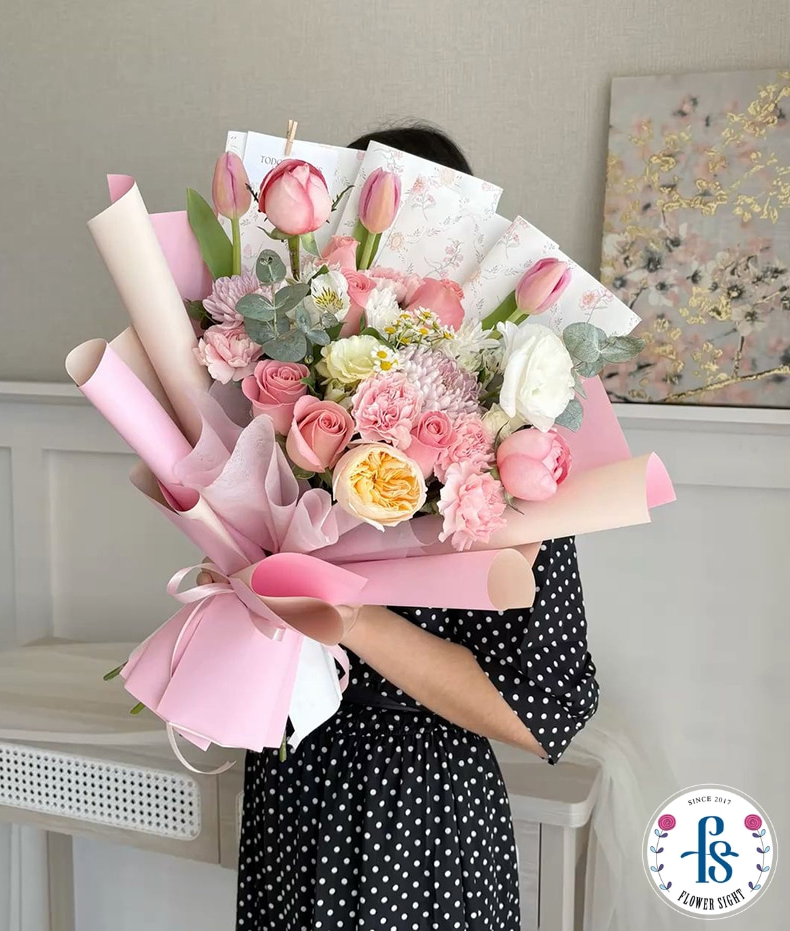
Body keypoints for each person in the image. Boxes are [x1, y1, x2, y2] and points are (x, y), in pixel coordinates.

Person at [235, 123, 600, 931]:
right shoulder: (294, 401)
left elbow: (541, 709)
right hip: (290, 783)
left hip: (417, 816)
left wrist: (351, 617)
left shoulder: (513, 450)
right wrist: (235, 594)